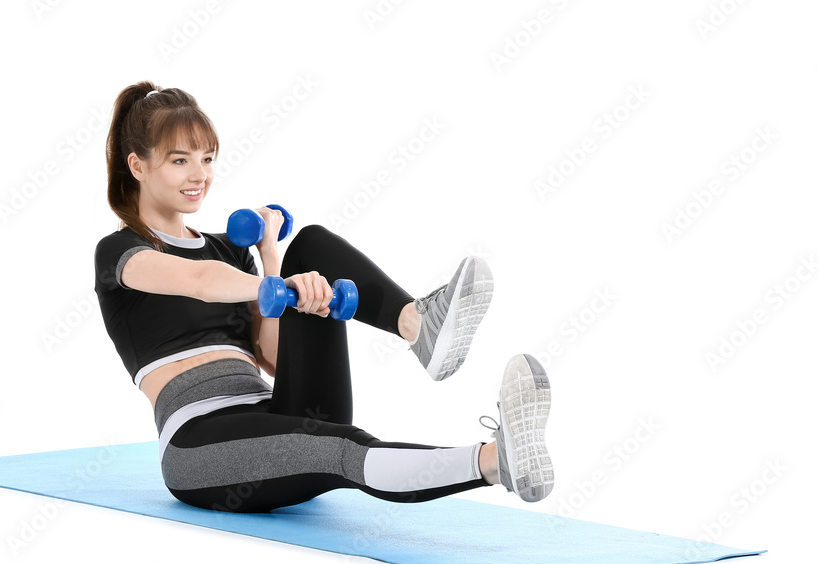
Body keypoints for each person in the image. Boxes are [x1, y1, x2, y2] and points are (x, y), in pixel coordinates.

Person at [94, 82, 555, 513]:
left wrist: (269, 255)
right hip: (200, 441)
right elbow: (196, 280)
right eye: (180, 161)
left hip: (278, 411)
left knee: (311, 243)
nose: (200, 175)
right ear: (138, 165)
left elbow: (271, 358)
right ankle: (497, 462)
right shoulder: (121, 253)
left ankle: (418, 326)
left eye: (208, 159)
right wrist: (279, 287)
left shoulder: (230, 249)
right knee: (343, 447)